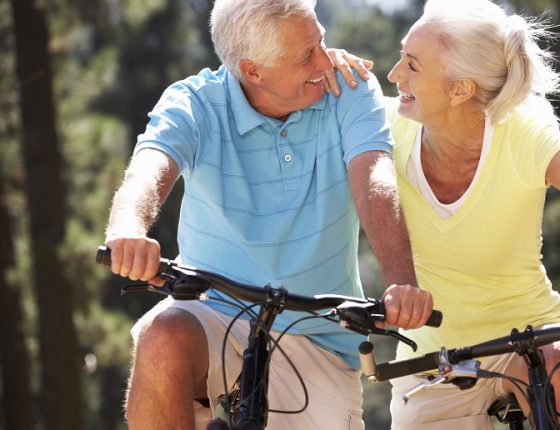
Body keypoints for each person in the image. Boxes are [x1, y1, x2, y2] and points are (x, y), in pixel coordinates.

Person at [328, 0, 560, 428]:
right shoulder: (384, 126)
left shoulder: (523, 132)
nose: (395, 74)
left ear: (460, 89)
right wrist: (325, 68)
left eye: (413, 65)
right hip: (434, 357)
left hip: (532, 333)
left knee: (549, 366)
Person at [103, 0, 435, 428]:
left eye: (321, 42)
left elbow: (374, 177)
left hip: (321, 335)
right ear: (253, 70)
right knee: (162, 337)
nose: (325, 60)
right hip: (215, 313)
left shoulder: (348, 88)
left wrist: (402, 281)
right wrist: (127, 227)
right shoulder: (194, 103)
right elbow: (149, 168)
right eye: (306, 55)